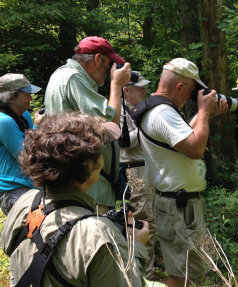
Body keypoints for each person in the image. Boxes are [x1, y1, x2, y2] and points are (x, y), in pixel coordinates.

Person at [0, 112, 149, 286]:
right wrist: (136, 247)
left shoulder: (25, 202)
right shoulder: (97, 235)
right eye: (102, 151)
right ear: (90, 165)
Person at [136, 58, 228, 287]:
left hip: (180, 204)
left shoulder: (161, 110)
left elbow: (185, 135)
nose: (192, 95)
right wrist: (204, 111)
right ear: (179, 86)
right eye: (192, 89)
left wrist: (204, 113)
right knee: (182, 274)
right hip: (179, 207)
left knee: (190, 270)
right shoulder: (162, 113)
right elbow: (195, 148)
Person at [44, 36, 131, 213]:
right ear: (98, 58)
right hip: (87, 186)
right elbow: (110, 127)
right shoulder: (74, 78)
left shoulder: (63, 75)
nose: (110, 72)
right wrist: (116, 85)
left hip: (80, 181)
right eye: (110, 65)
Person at [118, 71, 156, 279]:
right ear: (126, 90)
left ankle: (144, 270)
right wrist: (144, 125)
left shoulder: (134, 109)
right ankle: (143, 275)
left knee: (149, 218)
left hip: (145, 168)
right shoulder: (118, 110)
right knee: (143, 221)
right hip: (135, 170)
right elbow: (124, 142)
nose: (144, 90)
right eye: (140, 86)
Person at [0, 73, 44, 215]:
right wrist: (37, 126)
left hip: (29, 184)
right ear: (11, 98)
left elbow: (34, 141)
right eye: (26, 94)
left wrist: (38, 127)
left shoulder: (23, 114)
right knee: (29, 233)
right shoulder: (4, 121)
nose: (31, 98)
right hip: (13, 188)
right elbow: (25, 155)